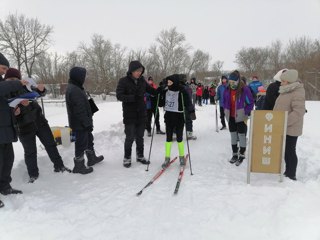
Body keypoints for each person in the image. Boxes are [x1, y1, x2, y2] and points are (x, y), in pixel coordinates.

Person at [5, 68, 71, 183]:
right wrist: (15, 113)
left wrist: (42, 89)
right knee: (30, 152)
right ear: (6, 80)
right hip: (23, 127)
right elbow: (5, 114)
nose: (13, 81)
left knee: (51, 145)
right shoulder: (4, 92)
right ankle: (33, 175)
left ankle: (59, 166)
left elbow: (39, 92)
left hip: (40, 122)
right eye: (10, 79)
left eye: (15, 79)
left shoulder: (25, 86)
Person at [116, 61, 158, 168]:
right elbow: (119, 95)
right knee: (129, 137)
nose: (139, 73)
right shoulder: (123, 81)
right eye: (137, 71)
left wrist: (161, 89)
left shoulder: (142, 81)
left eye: (140, 71)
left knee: (140, 137)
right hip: (129, 114)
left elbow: (152, 91)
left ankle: (140, 156)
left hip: (142, 113)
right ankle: (127, 158)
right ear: (131, 71)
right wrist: (133, 97)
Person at [0, 53, 28, 207]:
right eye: (3, 68)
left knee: (8, 159)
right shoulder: (4, 83)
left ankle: (4, 186)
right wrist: (18, 83)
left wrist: (13, 110)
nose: (4, 72)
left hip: (4, 127)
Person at [65, 67, 104, 174]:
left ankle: (91, 158)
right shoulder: (74, 90)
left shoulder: (77, 87)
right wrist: (87, 124)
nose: (84, 78)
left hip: (82, 122)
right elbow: (79, 110)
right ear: (78, 76)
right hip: (79, 124)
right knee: (81, 143)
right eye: (83, 76)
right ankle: (79, 166)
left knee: (88, 139)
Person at [273, 69, 305, 181]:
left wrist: (284, 122)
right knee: (286, 150)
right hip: (283, 126)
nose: (281, 83)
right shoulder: (287, 90)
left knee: (290, 150)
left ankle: (291, 174)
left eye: (283, 81)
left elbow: (298, 112)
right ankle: (288, 171)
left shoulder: (297, 92)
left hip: (291, 127)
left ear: (289, 81)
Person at [158, 74, 192, 168]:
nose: (168, 84)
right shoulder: (166, 92)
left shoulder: (181, 91)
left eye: (170, 82)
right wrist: (159, 94)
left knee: (179, 138)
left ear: (175, 82)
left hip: (179, 117)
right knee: (168, 138)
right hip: (168, 117)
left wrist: (191, 111)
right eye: (167, 82)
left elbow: (188, 101)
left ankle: (181, 157)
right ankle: (167, 158)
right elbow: (160, 104)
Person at [223, 70, 254, 166]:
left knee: (241, 136)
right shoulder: (227, 90)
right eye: (230, 82)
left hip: (241, 117)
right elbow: (224, 102)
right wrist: (225, 110)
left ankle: (242, 154)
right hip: (231, 116)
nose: (232, 84)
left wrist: (245, 112)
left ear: (238, 81)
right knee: (233, 136)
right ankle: (235, 154)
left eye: (233, 82)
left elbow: (250, 103)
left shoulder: (244, 89)